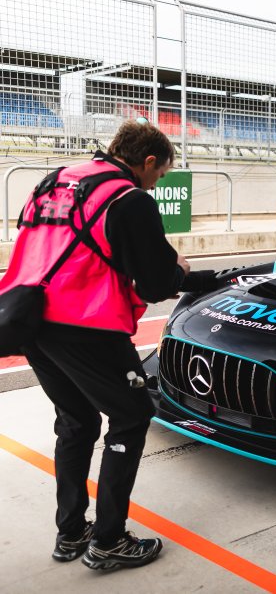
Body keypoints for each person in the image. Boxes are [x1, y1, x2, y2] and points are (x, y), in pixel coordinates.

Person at [0, 119, 217, 571]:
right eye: (160, 175)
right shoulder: (129, 198)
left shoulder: (55, 180)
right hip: (87, 325)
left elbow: (71, 250)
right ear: (148, 161)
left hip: (30, 319)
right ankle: (109, 540)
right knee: (132, 416)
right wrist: (180, 269)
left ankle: (70, 532)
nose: (156, 184)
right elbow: (155, 284)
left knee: (76, 422)